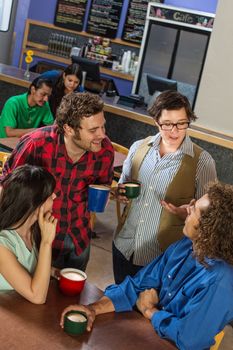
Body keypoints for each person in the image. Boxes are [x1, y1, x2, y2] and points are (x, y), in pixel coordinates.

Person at [60, 182, 233, 350]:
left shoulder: (222, 281)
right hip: (149, 336)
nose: (188, 207)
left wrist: (150, 311)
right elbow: (137, 285)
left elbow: (188, 339)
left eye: (195, 208)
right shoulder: (185, 246)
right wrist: (92, 309)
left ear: (209, 229)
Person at [1, 92, 114, 271]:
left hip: (78, 238)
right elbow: (7, 187)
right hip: (38, 239)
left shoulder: (105, 150)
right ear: (69, 129)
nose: (102, 135)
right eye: (93, 130)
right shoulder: (36, 144)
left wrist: (109, 193)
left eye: (103, 126)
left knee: (71, 298)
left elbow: (103, 185)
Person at [113, 90, 217, 283]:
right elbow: (122, 185)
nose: (174, 131)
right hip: (123, 246)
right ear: (156, 122)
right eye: (167, 124)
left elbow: (209, 220)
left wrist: (183, 212)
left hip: (162, 258)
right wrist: (120, 193)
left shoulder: (203, 162)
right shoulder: (138, 147)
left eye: (181, 124)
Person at [0, 164, 57, 304]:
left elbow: (28, 267)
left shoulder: (32, 231)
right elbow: (37, 297)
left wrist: (53, 272)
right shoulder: (2, 245)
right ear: (35, 204)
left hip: (24, 313)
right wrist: (46, 243)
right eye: (50, 195)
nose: (55, 196)